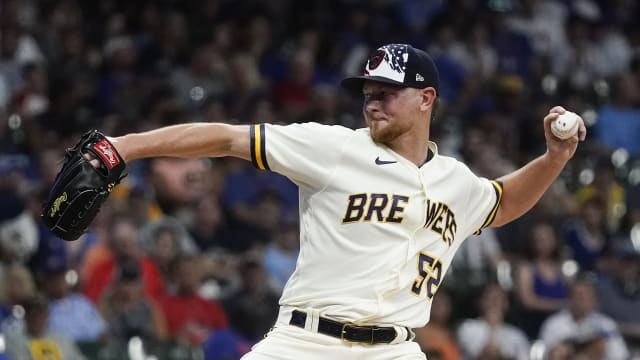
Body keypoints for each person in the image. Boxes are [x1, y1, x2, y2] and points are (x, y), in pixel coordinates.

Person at [87, 43, 586, 359]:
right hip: (306, 343)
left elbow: (501, 204)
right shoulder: (335, 147)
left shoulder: (455, 180)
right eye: (368, 90)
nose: (372, 101)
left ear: (426, 99)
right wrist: (124, 147)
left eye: (387, 91)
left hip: (394, 350)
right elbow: (228, 138)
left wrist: (555, 158)